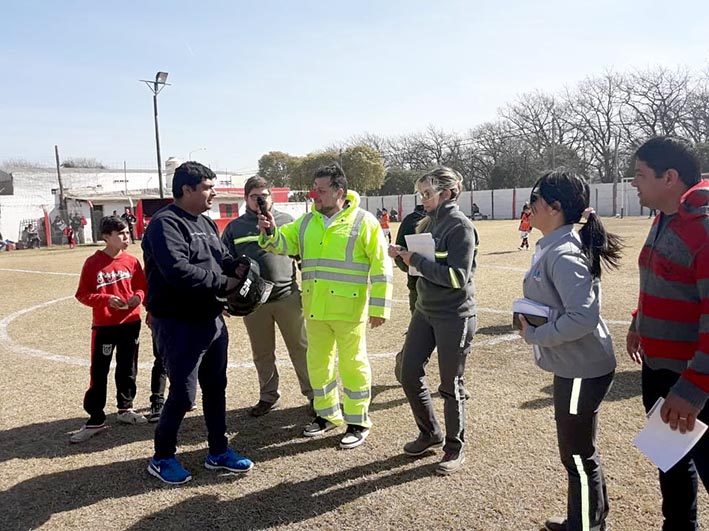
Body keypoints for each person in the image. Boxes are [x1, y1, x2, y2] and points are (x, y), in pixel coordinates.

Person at [257, 163, 392, 449]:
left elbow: (381, 266)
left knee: (353, 365)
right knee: (318, 364)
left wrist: (380, 307)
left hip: (349, 310)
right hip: (315, 309)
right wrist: (270, 232)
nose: (313, 195)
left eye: (320, 190)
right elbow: (282, 243)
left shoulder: (364, 221)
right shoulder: (306, 222)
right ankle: (327, 414)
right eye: (313, 189)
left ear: (339, 192)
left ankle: (358, 420)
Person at [518, 170, 622, 531]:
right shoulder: (554, 245)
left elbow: (584, 317)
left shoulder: (563, 253)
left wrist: (537, 334)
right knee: (581, 451)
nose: (530, 206)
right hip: (577, 365)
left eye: (535, 199)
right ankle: (589, 519)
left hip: (581, 369)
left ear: (555, 207)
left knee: (577, 454)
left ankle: (585, 526)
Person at [142, 161, 253, 484]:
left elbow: (219, 260)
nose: (213, 193)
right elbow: (177, 271)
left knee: (216, 388)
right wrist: (224, 284)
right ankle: (162, 457)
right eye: (207, 187)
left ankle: (218, 451)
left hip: (212, 319)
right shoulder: (165, 224)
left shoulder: (205, 222)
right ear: (186, 189)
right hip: (177, 322)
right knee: (183, 395)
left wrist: (237, 268)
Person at [626, 136, 709, 531]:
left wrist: (693, 386)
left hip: (694, 381)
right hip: (659, 370)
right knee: (672, 462)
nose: (633, 182)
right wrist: (637, 322)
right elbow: (661, 279)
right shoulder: (664, 218)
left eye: (640, 174)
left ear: (670, 177)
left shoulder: (704, 229)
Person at [391, 167, 477, 476]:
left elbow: (456, 277)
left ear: (449, 192)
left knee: (451, 385)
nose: (423, 199)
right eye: (421, 194)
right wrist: (403, 257)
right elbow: (419, 271)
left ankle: (455, 447)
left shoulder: (460, 227)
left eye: (428, 193)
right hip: (425, 311)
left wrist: (416, 260)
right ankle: (430, 432)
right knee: (407, 371)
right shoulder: (426, 222)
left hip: (454, 315)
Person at [222, 175, 313, 417]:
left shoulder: (288, 221)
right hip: (254, 303)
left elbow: (303, 258)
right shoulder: (234, 228)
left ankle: (315, 395)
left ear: (271, 197)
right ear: (246, 198)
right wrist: (227, 298)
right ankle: (268, 396)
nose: (260, 201)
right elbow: (225, 265)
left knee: (301, 348)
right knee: (262, 353)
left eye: (264, 196)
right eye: (255, 197)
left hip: (287, 296)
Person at [70, 216, 149, 443]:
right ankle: (95, 419)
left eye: (128, 232)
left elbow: (142, 286)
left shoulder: (132, 262)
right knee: (99, 372)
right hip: (104, 326)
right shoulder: (93, 263)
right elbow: (82, 294)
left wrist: (137, 297)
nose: (127, 237)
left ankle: (126, 409)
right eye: (121, 234)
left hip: (130, 324)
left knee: (127, 368)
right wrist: (105, 299)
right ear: (106, 237)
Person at [392, 204, 426, 383]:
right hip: (420, 288)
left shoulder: (453, 220)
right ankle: (405, 362)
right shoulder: (412, 220)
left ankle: (455, 382)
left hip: (449, 289)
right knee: (420, 335)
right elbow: (399, 255)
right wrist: (412, 264)